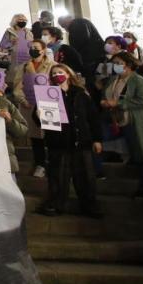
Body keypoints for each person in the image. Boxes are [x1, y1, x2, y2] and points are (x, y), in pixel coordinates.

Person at [37, 63, 102, 218]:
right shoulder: (48, 94)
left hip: (81, 141)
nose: (56, 75)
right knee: (57, 177)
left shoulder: (80, 93)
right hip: (58, 143)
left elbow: (93, 118)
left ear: (68, 74)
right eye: (53, 73)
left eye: (60, 72)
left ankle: (89, 206)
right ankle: (56, 204)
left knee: (86, 178)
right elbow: (40, 118)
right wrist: (38, 115)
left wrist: (97, 139)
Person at [100, 51, 143, 199]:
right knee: (99, 139)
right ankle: (97, 172)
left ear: (128, 65)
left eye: (118, 63)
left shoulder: (139, 80)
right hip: (117, 120)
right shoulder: (113, 80)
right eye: (114, 63)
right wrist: (105, 102)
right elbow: (106, 94)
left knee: (142, 154)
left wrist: (119, 103)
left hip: (136, 121)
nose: (115, 66)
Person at [12, 39, 55, 178]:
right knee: (36, 137)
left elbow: (55, 85)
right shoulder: (23, 66)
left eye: (36, 47)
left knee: (51, 135)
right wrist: (23, 100)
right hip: (29, 105)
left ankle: (54, 163)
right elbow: (17, 86)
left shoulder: (53, 65)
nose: (33, 49)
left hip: (48, 105)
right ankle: (40, 163)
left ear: (43, 49)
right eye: (31, 47)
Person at [59, 15, 106, 82]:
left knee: (94, 81)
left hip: (90, 59)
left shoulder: (77, 23)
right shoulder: (81, 23)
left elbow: (80, 42)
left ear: (66, 21)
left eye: (63, 25)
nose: (65, 29)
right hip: (95, 57)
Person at [0, 14, 34, 87]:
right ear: (15, 20)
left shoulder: (29, 32)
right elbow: (1, 46)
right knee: (13, 79)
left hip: (26, 58)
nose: (23, 21)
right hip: (13, 59)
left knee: (25, 79)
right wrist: (10, 43)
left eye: (25, 20)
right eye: (21, 20)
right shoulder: (9, 31)